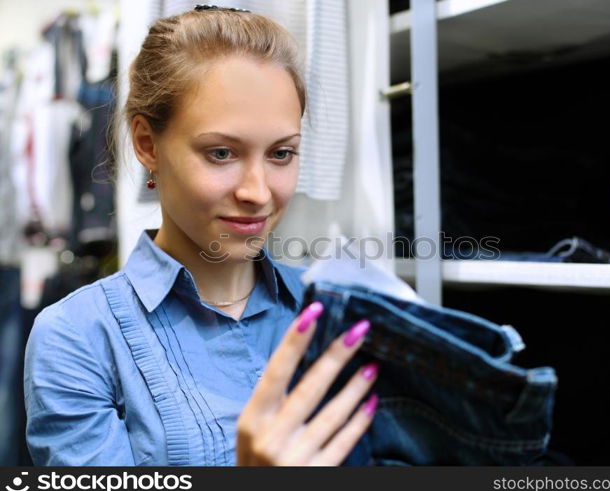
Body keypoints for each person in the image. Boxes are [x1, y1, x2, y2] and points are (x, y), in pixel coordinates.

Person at [24, 6, 379, 466]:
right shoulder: (78, 338)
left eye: (281, 153)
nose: (257, 192)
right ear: (147, 145)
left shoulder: (341, 307)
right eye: (221, 153)